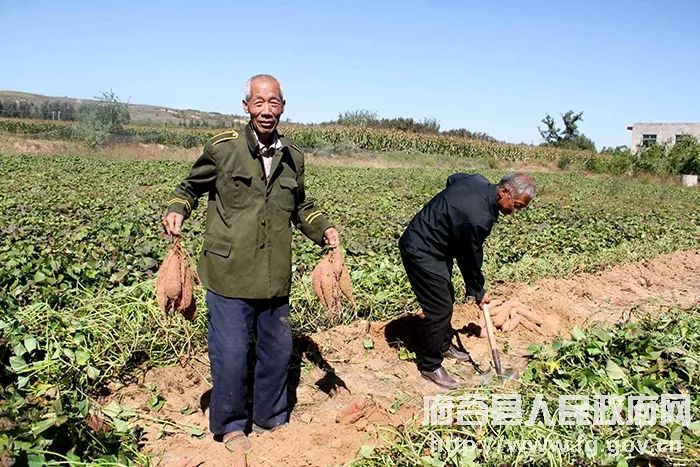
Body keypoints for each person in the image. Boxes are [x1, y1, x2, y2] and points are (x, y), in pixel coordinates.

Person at [162, 74, 339, 458]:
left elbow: (301, 207)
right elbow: (190, 187)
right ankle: (230, 424)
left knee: (276, 352)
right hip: (229, 272)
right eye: (259, 102)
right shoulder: (224, 150)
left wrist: (323, 229)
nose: (266, 110)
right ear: (246, 106)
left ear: (283, 107)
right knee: (232, 352)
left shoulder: (294, 156)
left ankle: (270, 417)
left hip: (274, 275)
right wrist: (178, 209)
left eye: (273, 102)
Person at [398, 172, 535, 389]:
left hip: (439, 248)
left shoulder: (477, 181)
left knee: (446, 296)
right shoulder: (478, 218)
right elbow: (469, 258)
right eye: (516, 205)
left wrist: (451, 210)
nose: (516, 212)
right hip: (421, 248)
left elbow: (453, 179)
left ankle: (442, 344)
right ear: (504, 192)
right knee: (440, 308)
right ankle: (430, 364)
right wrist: (478, 291)